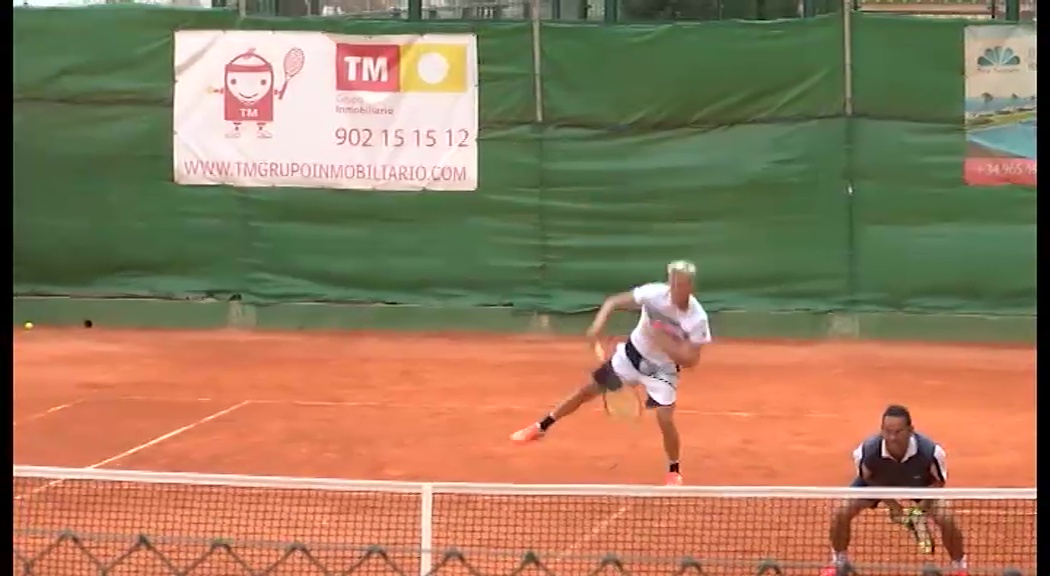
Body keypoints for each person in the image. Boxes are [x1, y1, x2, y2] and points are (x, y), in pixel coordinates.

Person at [509, 260, 712, 486]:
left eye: (681, 285)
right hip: (630, 356)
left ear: (690, 287)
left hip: (662, 370)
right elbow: (613, 301)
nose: (675, 289)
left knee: (665, 418)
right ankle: (541, 427)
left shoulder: (697, 319)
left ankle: (674, 470)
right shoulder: (653, 294)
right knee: (586, 390)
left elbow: (692, 360)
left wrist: (665, 343)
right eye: (673, 283)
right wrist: (597, 326)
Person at [821, 405, 968, 576]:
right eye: (887, 431)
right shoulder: (866, 452)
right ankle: (839, 561)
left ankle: (959, 567)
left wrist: (918, 510)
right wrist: (893, 505)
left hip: (919, 486)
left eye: (898, 432)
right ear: (881, 430)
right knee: (842, 512)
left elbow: (938, 483)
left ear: (910, 430)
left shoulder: (931, 452)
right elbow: (869, 479)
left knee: (946, 518)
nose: (892, 437)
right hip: (879, 483)